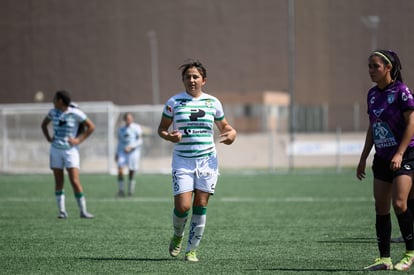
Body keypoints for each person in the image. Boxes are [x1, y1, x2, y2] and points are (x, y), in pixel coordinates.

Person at [157, 60, 237, 262]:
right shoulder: (174, 102)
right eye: (188, 77)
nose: (191, 80)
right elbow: (162, 129)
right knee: (183, 207)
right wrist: (169, 136)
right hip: (182, 161)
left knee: (201, 204)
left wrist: (231, 135)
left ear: (204, 80)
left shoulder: (213, 102)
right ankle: (178, 235)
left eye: (195, 77)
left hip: (207, 161)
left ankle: (192, 250)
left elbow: (226, 127)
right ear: (183, 80)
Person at [356, 50, 414, 271]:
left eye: (375, 66)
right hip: (381, 158)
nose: (371, 70)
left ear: (388, 68)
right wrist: (363, 158)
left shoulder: (402, 92)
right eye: (369, 66)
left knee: (399, 203)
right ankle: (385, 259)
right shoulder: (371, 94)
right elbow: (373, 127)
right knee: (381, 207)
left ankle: (410, 252)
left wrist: (399, 153)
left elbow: (411, 124)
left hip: (405, 155)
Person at [41, 90, 95, 219]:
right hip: (55, 150)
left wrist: (78, 140)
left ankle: (83, 211)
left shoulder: (75, 113)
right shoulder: (52, 112)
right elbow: (43, 125)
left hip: (71, 151)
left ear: (60, 101)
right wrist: (49, 138)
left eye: (55, 98)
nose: (53, 101)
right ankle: (62, 211)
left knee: (75, 181)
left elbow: (91, 126)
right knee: (59, 181)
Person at [115, 112, 143, 197]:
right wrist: (116, 152)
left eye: (130, 118)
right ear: (124, 120)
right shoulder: (121, 129)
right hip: (122, 152)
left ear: (133, 119)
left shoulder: (136, 128)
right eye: (127, 118)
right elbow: (119, 142)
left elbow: (140, 140)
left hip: (133, 152)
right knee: (120, 170)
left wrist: (131, 147)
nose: (129, 120)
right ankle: (121, 191)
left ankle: (130, 191)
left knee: (131, 171)